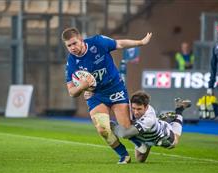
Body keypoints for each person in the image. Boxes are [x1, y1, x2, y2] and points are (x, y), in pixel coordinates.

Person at [62, 27, 152, 164]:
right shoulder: (71, 63)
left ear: (81, 39)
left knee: (126, 129)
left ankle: (138, 141)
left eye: (74, 43)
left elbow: (120, 44)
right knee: (102, 129)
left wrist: (141, 42)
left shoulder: (98, 42)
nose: (72, 48)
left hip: (115, 88)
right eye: (69, 45)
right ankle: (123, 155)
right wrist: (82, 86)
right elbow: (71, 92)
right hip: (96, 94)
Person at [111, 91, 191, 163]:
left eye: (139, 109)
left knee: (175, 142)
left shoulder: (149, 119)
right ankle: (143, 144)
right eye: (134, 108)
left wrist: (111, 126)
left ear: (146, 107)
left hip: (159, 137)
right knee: (140, 160)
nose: (135, 112)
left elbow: (125, 134)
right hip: (141, 135)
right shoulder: (128, 106)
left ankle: (179, 110)